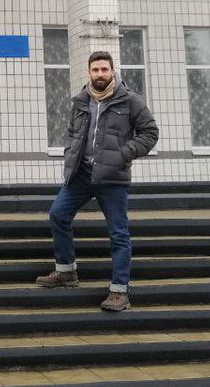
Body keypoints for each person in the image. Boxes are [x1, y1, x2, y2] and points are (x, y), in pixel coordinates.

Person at [36, 49, 158, 312]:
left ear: (113, 71)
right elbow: (73, 133)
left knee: (118, 233)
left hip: (113, 178)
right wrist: (70, 155)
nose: (100, 74)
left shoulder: (130, 101)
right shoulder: (81, 100)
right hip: (81, 174)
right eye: (95, 70)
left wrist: (124, 153)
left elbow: (150, 133)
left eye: (104, 69)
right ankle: (66, 271)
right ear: (89, 73)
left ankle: (119, 291)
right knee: (58, 214)